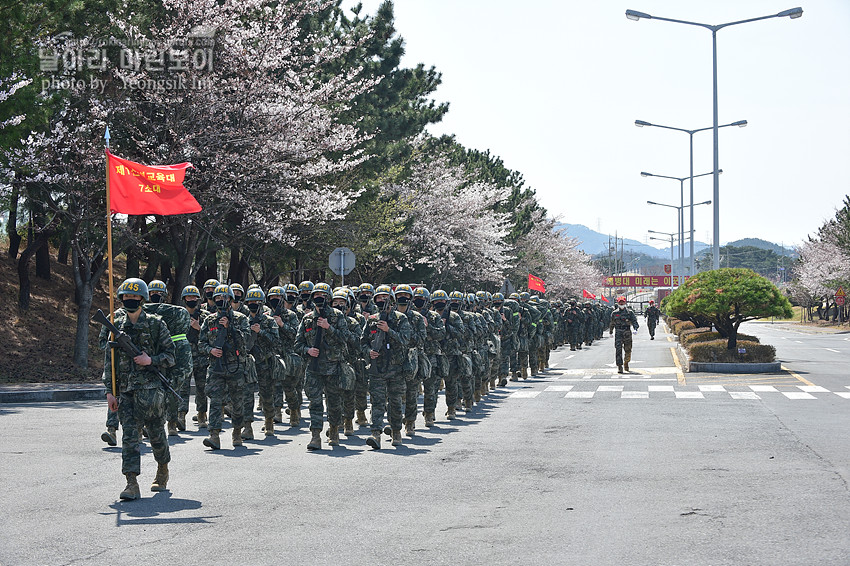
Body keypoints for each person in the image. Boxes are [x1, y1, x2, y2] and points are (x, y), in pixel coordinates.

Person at [103, 278, 175, 500]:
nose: (130, 300)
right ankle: (131, 483)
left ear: (142, 299)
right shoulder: (115, 324)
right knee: (130, 439)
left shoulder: (156, 324)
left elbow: (171, 356)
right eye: (126, 297)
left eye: (134, 297)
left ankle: (162, 469)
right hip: (126, 392)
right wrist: (109, 391)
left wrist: (150, 360)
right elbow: (109, 360)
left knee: (156, 435)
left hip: (152, 393)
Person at [294, 283, 351, 450]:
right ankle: (315, 436)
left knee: (334, 403)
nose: (319, 298)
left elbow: (345, 338)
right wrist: (307, 350)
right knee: (315, 403)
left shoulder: (338, 316)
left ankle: (334, 431)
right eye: (316, 295)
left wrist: (329, 327)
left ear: (328, 298)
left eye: (322, 295)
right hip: (314, 368)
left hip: (333, 368)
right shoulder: (307, 319)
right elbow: (298, 344)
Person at [199, 284, 251, 450]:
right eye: (218, 298)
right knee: (215, 401)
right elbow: (201, 343)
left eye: (225, 298)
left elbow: (245, 343)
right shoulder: (209, 320)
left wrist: (231, 328)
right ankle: (214, 435)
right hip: (216, 367)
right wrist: (211, 350)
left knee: (237, 402)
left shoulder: (241, 318)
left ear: (231, 299)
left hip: (235, 367)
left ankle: (237, 432)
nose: (222, 301)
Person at [362, 285, 412, 449]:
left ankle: (396, 431)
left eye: (385, 298)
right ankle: (375, 434)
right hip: (377, 369)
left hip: (396, 369)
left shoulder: (400, 319)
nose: (382, 301)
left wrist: (388, 330)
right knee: (377, 403)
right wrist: (369, 352)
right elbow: (362, 342)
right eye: (379, 298)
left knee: (395, 402)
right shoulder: (371, 320)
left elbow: (406, 340)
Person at [144, 279, 192, 436]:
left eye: (158, 294)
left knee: (171, 388)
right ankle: (153, 423)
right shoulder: (177, 312)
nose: (155, 296)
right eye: (152, 294)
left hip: (170, 354)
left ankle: (171, 423)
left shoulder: (174, 311)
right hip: (155, 353)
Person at [244, 288, 279, 439]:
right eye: (251, 302)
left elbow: (276, 341)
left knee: (266, 394)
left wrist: (261, 332)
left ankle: (269, 421)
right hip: (248, 365)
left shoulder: (269, 321)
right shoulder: (243, 320)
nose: (253, 304)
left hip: (265, 363)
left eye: (256, 302)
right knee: (246, 396)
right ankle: (247, 426)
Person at [609, 295, 640, 374]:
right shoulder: (614, 313)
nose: (621, 304)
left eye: (623, 302)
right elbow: (612, 323)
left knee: (628, 350)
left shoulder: (629, 312)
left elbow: (634, 321)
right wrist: (611, 331)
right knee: (618, 350)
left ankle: (626, 362)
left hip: (627, 333)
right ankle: (620, 366)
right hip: (618, 333)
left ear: (625, 303)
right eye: (620, 302)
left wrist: (635, 328)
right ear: (618, 303)